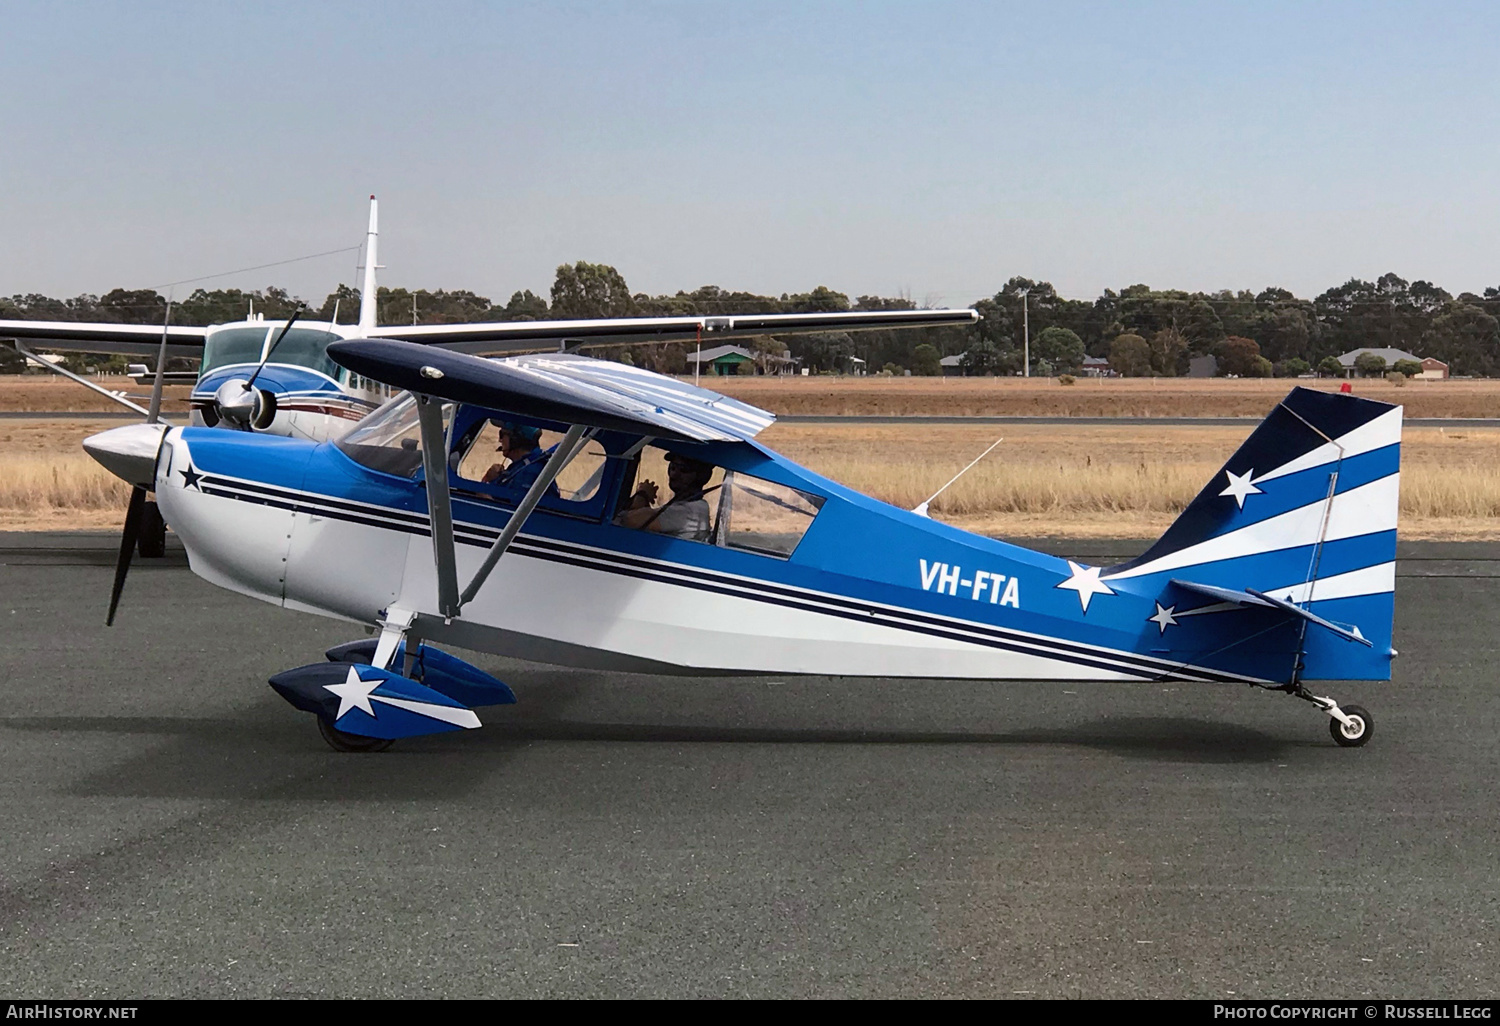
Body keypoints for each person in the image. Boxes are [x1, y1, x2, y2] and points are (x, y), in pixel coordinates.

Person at [615, 452, 715, 540]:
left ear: (701, 476)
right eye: (673, 467)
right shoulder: (685, 505)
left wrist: (642, 495)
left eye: (684, 470)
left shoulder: (691, 510)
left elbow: (631, 521)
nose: (674, 474)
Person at [482, 421, 551, 492]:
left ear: (515, 440)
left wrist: (484, 488)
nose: (500, 440)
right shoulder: (521, 466)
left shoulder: (528, 474)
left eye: (501, 435)